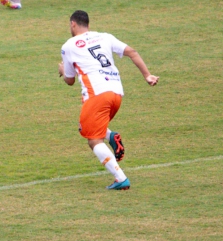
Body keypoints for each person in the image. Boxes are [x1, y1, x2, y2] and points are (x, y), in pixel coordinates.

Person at [58, 10, 159, 190]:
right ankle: (111, 136)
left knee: (93, 139)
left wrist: (62, 72)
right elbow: (132, 52)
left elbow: (70, 80)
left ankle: (120, 178)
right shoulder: (105, 37)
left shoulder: (69, 45)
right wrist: (147, 75)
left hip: (97, 95)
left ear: (73, 24)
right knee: (87, 125)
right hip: (116, 94)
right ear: (88, 23)